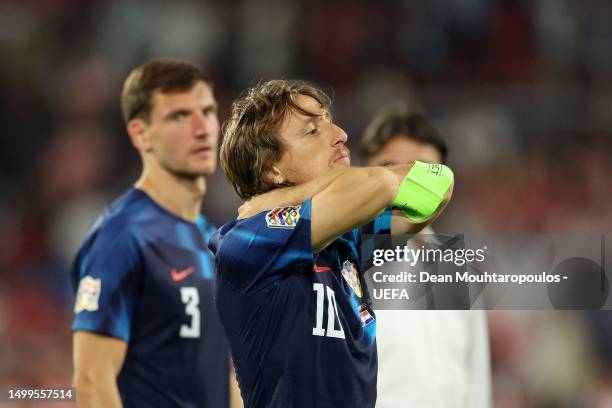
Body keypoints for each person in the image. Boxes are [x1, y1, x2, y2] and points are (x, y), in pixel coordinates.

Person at [209, 80, 454, 407]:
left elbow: (439, 185)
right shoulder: (248, 243)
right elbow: (381, 183)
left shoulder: (347, 239)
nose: (340, 133)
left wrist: (286, 195)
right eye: (312, 131)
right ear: (272, 167)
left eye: (329, 120)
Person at [71, 58, 237, 407]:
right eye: (179, 116)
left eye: (207, 111)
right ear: (140, 133)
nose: (202, 128)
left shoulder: (210, 238)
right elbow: (91, 381)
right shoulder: (124, 234)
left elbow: (223, 373)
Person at [360, 102, 491, 408]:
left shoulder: (459, 268)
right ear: (364, 174)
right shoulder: (343, 260)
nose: (407, 182)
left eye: (422, 170)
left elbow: (476, 381)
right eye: (392, 167)